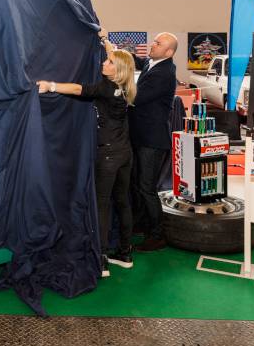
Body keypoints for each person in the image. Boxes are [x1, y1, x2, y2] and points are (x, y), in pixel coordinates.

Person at [37, 34, 137, 276]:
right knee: (122, 202)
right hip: (125, 154)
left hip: (108, 155)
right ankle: (125, 253)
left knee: (102, 205)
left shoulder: (106, 87)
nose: (104, 62)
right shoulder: (126, 87)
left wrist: (50, 86)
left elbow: (78, 89)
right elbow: (117, 59)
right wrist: (106, 41)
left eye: (109, 62)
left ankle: (101, 260)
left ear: (117, 70)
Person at [128, 32, 177, 252]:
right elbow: (137, 61)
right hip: (142, 136)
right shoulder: (153, 62)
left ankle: (158, 235)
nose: (153, 45)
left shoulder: (164, 73)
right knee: (138, 184)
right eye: (155, 41)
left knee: (147, 188)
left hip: (152, 140)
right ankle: (142, 224)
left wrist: (115, 91)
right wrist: (111, 48)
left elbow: (136, 98)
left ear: (169, 52)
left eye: (158, 43)